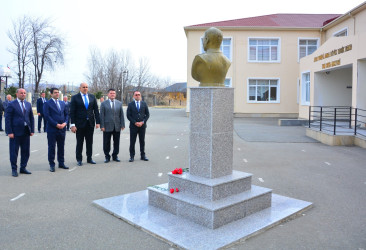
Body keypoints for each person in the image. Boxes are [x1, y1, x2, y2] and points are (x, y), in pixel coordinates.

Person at [5, 88, 34, 177]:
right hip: (15, 132)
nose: (23, 94)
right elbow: (8, 119)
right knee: (14, 152)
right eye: (21, 93)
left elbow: (31, 118)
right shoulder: (11, 104)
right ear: (17, 94)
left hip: (26, 131)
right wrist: (9, 131)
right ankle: (14, 169)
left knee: (26, 151)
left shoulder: (28, 104)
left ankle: (23, 168)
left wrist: (32, 130)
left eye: (24, 93)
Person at [69, 82, 100, 166]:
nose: (85, 88)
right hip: (79, 124)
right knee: (80, 142)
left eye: (86, 87)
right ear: (80, 88)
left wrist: (98, 122)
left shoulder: (92, 97)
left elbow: (96, 110)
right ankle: (79, 159)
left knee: (90, 142)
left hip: (90, 123)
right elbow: (72, 112)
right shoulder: (75, 98)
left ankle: (89, 158)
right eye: (83, 87)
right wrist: (72, 125)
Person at [44, 88, 69, 172]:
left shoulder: (62, 103)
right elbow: (47, 116)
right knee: (52, 147)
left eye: (58, 92)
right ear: (51, 94)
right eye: (55, 93)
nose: (57, 94)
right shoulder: (47, 104)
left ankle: (61, 163)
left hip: (62, 129)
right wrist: (56, 124)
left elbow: (66, 114)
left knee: (61, 146)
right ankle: (52, 164)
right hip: (52, 129)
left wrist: (65, 123)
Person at [100, 88, 125, 163]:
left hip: (117, 126)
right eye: (111, 93)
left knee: (116, 142)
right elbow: (101, 115)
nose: (112, 94)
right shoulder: (104, 104)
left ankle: (115, 156)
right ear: (108, 94)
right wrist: (102, 126)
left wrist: (122, 124)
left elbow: (121, 115)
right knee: (106, 142)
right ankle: (107, 156)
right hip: (107, 126)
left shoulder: (119, 103)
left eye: (114, 93)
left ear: (115, 94)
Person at [127, 91, 150, 162]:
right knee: (132, 141)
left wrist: (143, 122)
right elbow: (128, 115)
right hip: (133, 126)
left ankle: (143, 155)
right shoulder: (130, 104)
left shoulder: (144, 104)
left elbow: (147, 114)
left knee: (142, 141)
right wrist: (135, 122)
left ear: (140, 96)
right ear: (133, 96)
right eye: (136, 95)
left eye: (138, 95)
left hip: (142, 126)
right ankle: (131, 156)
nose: (137, 96)